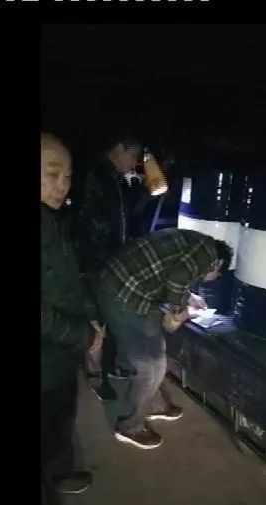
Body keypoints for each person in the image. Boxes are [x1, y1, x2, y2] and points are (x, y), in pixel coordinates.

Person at [94, 228, 233, 449]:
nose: (212, 280)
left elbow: (171, 271)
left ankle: (155, 405)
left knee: (154, 349)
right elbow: (177, 278)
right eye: (216, 276)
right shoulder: (206, 254)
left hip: (122, 287)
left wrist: (188, 297)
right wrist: (180, 309)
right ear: (217, 265)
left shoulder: (198, 243)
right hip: (124, 295)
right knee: (151, 366)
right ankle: (130, 426)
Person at [40, 133, 105, 505]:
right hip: (45, 361)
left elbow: (63, 281)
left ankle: (58, 473)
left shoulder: (51, 219)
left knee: (56, 428)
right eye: (52, 173)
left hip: (58, 359)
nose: (63, 184)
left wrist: (88, 318)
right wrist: (83, 335)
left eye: (67, 175)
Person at [72, 135, 156, 401]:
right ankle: (97, 376)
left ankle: (108, 370)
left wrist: (145, 192)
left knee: (107, 317)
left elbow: (125, 217)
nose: (134, 163)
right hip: (93, 262)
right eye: (133, 156)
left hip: (107, 261)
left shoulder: (115, 179)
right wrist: (89, 263)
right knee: (97, 319)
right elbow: (83, 223)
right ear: (119, 148)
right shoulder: (93, 175)